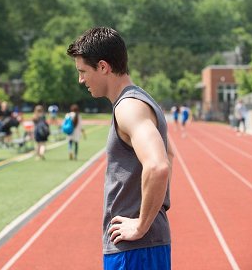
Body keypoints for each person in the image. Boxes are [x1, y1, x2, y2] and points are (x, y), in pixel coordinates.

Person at [67, 27, 173, 269]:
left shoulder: (129, 107)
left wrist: (141, 224)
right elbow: (170, 154)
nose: (80, 80)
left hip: (135, 250)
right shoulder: (141, 101)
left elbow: (158, 166)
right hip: (143, 247)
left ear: (103, 67)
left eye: (83, 71)